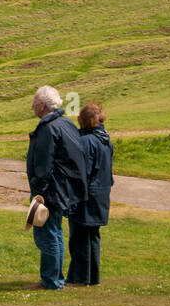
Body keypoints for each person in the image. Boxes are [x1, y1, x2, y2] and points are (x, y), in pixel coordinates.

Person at [25, 86, 88, 290]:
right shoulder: (65, 124)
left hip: (50, 192)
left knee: (48, 235)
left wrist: (38, 192)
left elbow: (44, 164)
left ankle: (51, 280)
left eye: (35, 103)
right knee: (56, 233)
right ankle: (56, 278)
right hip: (63, 190)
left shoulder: (48, 128)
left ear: (42, 105)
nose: (33, 106)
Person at [68, 103, 113, 286]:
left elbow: (82, 172)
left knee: (80, 237)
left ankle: (79, 278)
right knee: (92, 236)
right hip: (101, 194)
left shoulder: (87, 142)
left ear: (83, 120)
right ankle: (92, 278)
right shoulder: (105, 139)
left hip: (86, 196)